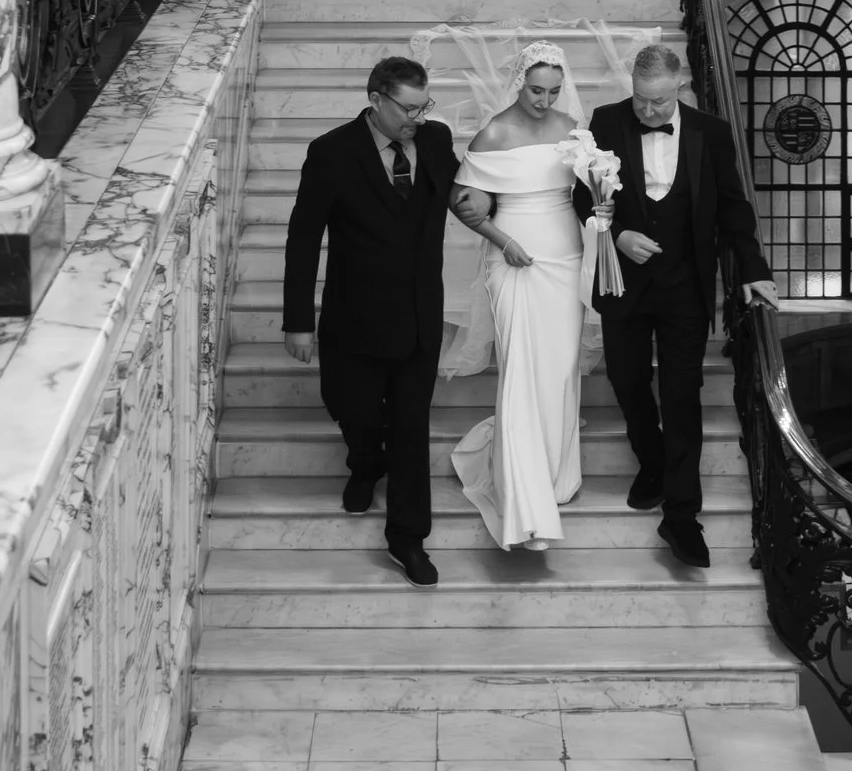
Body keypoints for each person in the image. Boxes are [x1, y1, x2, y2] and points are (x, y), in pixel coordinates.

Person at [576, 43, 778, 568]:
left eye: (659, 103)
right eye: (642, 101)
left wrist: (753, 270)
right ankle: (652, 461)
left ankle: (683, 515)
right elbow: (580, 194)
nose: (648, 112)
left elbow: (734, 206)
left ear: (679, 87)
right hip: (622, 280)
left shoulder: (710, 131)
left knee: (682, 394)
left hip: (685, 285)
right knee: (626, 380)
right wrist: (616, 234)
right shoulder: (605, 122)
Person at [283, 57, 459, 587]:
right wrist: (298, 321)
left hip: (419, 316)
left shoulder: (434, 140)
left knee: (411, 428)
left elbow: (462, 190)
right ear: (376, 99)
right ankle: (364, 462)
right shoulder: (331, 152)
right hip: (354, 317)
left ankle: (408, 539)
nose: (417, 117)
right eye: (408, 108)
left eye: (423, 106)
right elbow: (303, 238)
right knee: (352, 409)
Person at [446, 43, 604, 552]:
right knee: (520, 368)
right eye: (537, 89)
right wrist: (505, 242)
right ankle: (523, 500)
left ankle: (557, 478)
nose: (545, 99)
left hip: (566, 258)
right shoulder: (494, 133)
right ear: (520, 83)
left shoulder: (571, 128)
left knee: (558, 370)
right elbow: (461, 203)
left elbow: (586, 191)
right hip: (512, 259)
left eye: (554, 91)